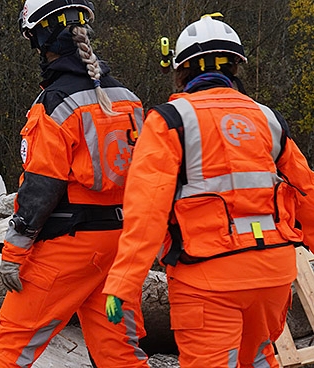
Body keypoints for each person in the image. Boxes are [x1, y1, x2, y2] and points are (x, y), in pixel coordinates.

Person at [103, 13, 314, 367]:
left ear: (181, 69)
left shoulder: (169, 120)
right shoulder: (267, 118)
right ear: (235, 67)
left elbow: (146, 209)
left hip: (207, 280)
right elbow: (306, 191)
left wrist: (123, 283)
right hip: (272, 276)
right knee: (260, 358)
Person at [0, 0, 149, 367]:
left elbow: (40, 188)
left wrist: (14, 253)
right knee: (120, 351)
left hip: (68, 248)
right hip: (120, 247)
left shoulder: (55, 104)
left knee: (7, 347)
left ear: (42, 38)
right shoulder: (129, 100)